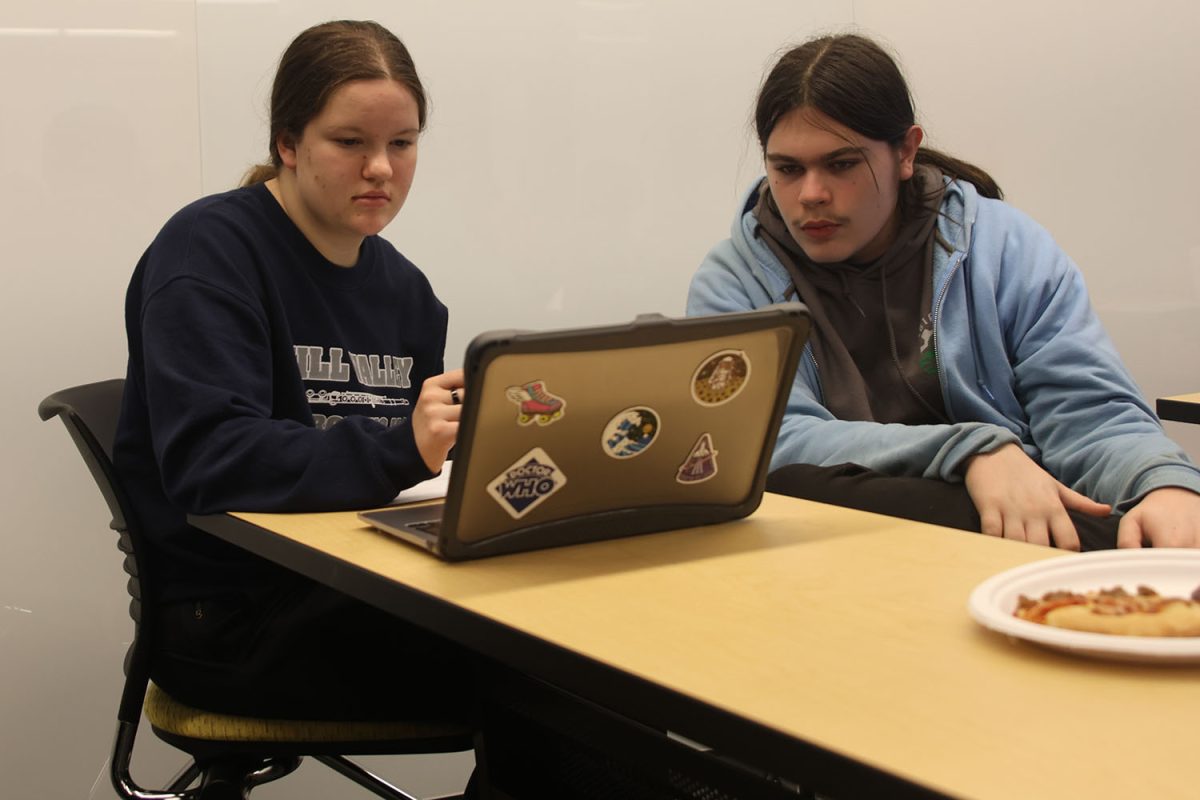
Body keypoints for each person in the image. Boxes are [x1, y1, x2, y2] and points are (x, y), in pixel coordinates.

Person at [687, 33, 1200, 552]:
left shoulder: (1006, 248)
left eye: (841, 164)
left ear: (905, 152)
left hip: (1013, 532)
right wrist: (971, 451)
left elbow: (1088, 413)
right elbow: (766, 442)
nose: (811, 194)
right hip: (832, 547)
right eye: (787, 169)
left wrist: (1162, 482)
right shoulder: (734, 280)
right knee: (795, 485)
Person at [114, 20, 473, 723]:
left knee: (571, 653)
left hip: (360, 585)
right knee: (555, 681)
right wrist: (404, 446)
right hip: (232, 617)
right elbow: (210, 460)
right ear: (286, 144)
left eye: (402, 144)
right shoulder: (209, 252)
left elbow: (408, 482)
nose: (381, 168)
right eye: (351, 143)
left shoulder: (409, 295)